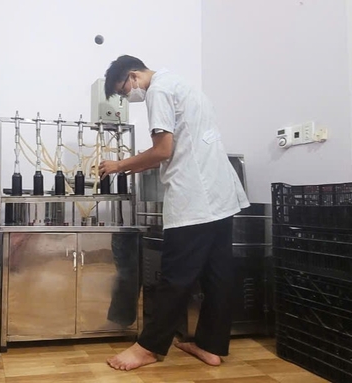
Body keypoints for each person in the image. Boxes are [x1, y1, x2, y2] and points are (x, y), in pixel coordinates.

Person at [99, 55, 249, 371]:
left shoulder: (159, 90)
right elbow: (171, 151)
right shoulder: (182, 85)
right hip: (220, 193)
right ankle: (211, 346)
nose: (129, 98)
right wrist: (133, 164)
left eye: (125, 92)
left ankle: (149, 347)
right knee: (217, 274)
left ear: (133, 75)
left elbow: (162, 150)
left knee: (175, 275)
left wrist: (119, 165)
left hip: (195, 196)